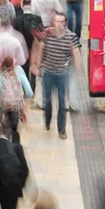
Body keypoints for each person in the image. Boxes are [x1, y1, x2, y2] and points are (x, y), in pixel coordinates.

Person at [39, 11, 79, 140]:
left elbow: (76, 53)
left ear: (65, 23)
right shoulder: (47, 34)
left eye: (62, 22)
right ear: (53, 22)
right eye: (57, 21)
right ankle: (47, 120)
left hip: (62, 74)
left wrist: (78, 69)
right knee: (47, 100)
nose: (59, 24)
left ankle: (62, 129)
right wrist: (38, 65)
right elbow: (40, 48)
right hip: (48, 73)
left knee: (62, 103)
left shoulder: (70, 37)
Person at [0, 55, 33, 144]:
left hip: (3, 107)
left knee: (5, 129)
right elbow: (29, 92)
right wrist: (25, 103)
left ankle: (6, 144)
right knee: (15, 129)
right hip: (15, 106)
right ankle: (16, 146)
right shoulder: (19, 72)